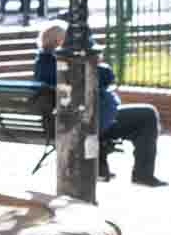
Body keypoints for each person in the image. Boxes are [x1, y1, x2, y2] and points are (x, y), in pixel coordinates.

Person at [35, 24, 162, 185]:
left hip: (62, 124)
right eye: (69, 40)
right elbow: (105, 75)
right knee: (147, 115)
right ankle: (142, 174)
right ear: (59, 42)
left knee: (104, 111)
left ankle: (100, 167)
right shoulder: (64, 64)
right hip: (85, 125)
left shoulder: (42, 65)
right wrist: (94, 61)